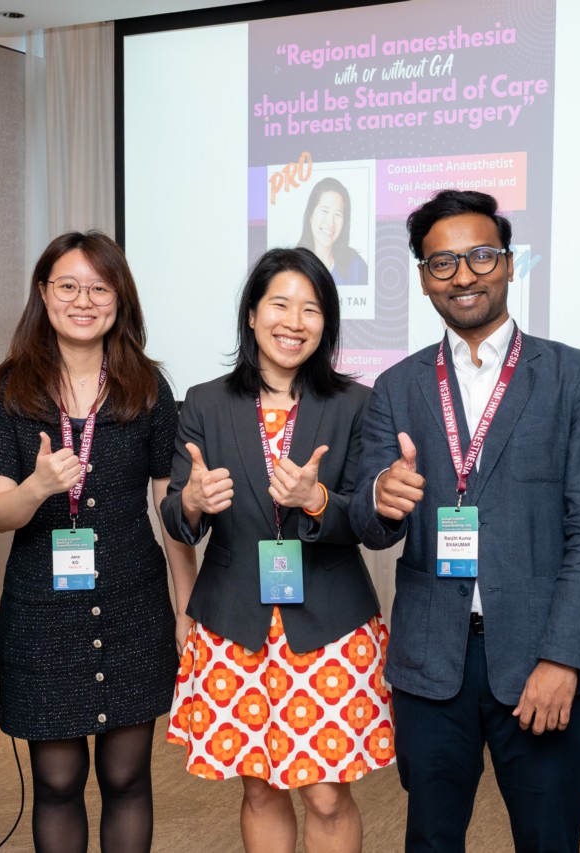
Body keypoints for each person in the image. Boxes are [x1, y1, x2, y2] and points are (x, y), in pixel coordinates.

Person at [349, 189, 580, 852]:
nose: (463, 275)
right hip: (431, 663)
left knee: (548, 838)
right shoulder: (397, 386)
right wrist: (380, 496)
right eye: (442, 263)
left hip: (540, 655)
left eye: (480, 256)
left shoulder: (574, 377)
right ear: (423, 279)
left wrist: (563, 658)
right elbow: (370, 523)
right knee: (431, 838)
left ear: (508, 262)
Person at [162, 247, 393, 852]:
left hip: (331, 625)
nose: (294, 322)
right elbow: (176, 519)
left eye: (311, 309)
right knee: (261, 789)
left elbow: (370, 520)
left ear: (327, 323)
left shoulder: (355, 404)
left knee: (326, 794)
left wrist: (318, 500)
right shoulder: (205, 402)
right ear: (252, 314)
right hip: (233, 623)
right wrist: (192, 503)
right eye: (280, 305)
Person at [0, 231, 197, 852]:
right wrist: (38, 487)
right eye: (68, 286)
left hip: (134, 605)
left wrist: (186, 607)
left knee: (127, 778)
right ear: (43, 293)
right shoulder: (9, 390)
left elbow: (170, 509)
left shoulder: (148, 387)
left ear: (119, 298)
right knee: (57, 783)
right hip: (42, 613)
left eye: (99, 288)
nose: (83, 300)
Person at [297, 177, 369, 287]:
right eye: (325, 211)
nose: (330, 222)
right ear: (311, 215)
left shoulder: (356, 266)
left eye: (338, 214)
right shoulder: (293, 265)